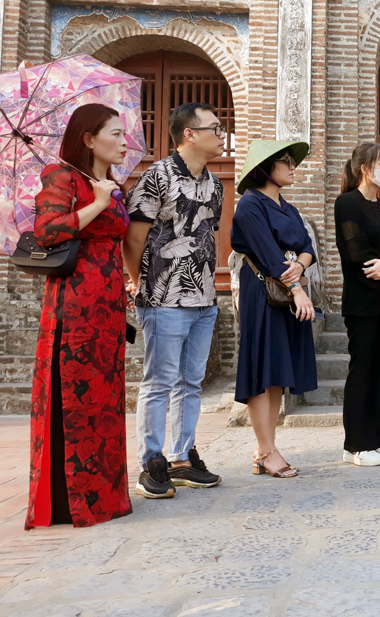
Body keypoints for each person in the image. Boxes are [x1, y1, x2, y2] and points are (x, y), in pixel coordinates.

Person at [25, 103, 133, 529]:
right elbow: (47, 230)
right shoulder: (61, 176)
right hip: (74, 304)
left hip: (108, 304)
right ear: (89, 139)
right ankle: (72, 501)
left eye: (125, 134)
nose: (125, 142)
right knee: (76, 396)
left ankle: (106, 496)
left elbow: (115, 240)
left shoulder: (110, 183)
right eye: (116, 134)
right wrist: (97, 203)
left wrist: (127, 278)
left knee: (106, 399)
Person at [123, 103, 225, 498]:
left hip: (203, 298)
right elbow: (133, 239)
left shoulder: (215, 185)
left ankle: (182, 457)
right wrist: (138, 283)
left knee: (191, 382)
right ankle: (151, 462)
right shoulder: (156, 177)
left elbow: (205, 237)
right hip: (162, 298)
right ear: (189, 134)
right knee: (159, 382)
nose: (221, 134)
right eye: (214, 128)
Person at [231, 140, 318, 478]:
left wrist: (301, 264)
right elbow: (269, 256)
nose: (293, 166)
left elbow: (307, 246)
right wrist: (297, 290)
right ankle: (267, 450)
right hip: (263, 292)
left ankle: (263, 449)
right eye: (285, 161)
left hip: (285, 288)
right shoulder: (250, 205)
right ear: (265, 167)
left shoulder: (288, 207)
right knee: (260, 369)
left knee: (277, 372)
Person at [334, 142, 380, 466]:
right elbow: (357, 255)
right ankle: (357, 444)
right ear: (365, 168)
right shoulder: (347, 204)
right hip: (362, 302)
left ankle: (379, 440)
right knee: (362, 369)